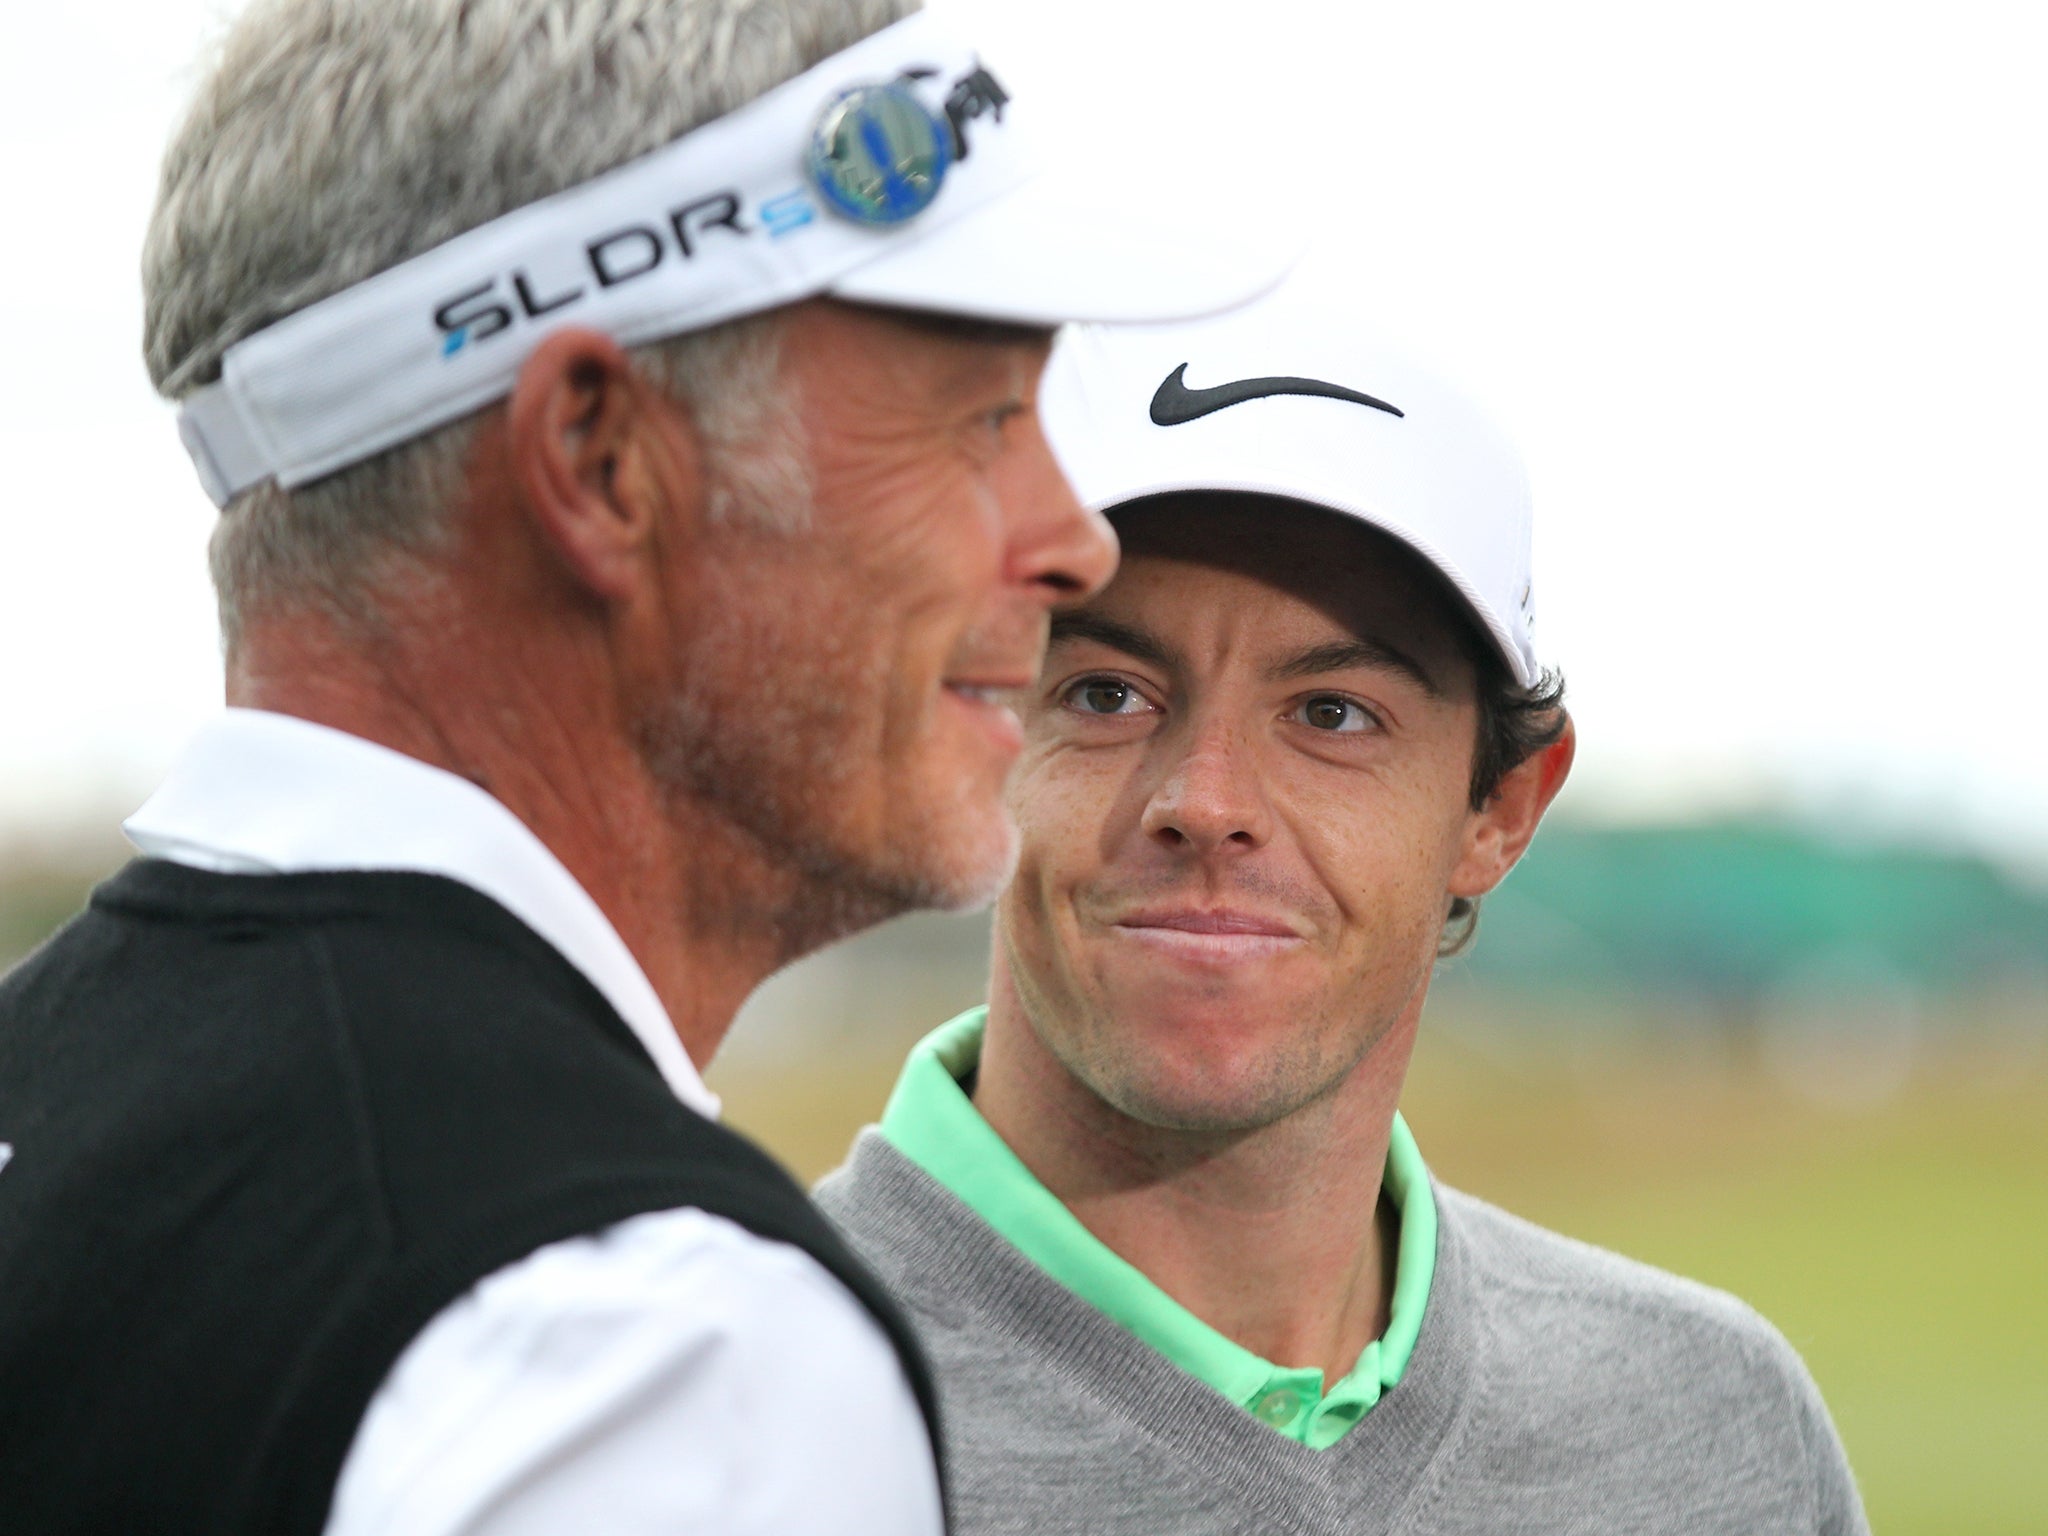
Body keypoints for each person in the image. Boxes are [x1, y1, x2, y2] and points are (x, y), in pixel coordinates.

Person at [0, 1, 1288, 1531]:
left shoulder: (59, 1087)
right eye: (981, 421)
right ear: (601, 463)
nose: (1072, 541)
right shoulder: (657, 1343)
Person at [817, 284, 1871, 1535]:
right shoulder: (696, 1404)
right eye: (1105, 692)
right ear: (980, 728)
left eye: (1331, 715)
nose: (1204, 803)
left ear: (1499, 809)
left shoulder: (1710, 1428)